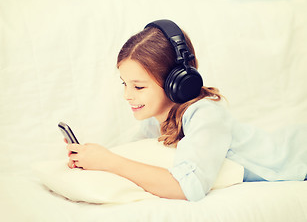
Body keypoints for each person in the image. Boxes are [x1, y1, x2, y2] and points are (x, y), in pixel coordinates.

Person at [66, 20, 307, 202]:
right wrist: (91, 159)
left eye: (138, 86)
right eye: (124, 83)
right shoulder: (155, 120)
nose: (127, 95)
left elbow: (188, 187)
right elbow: (132, 157)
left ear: (177, 82)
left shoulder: (206, 114)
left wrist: (109, 161)